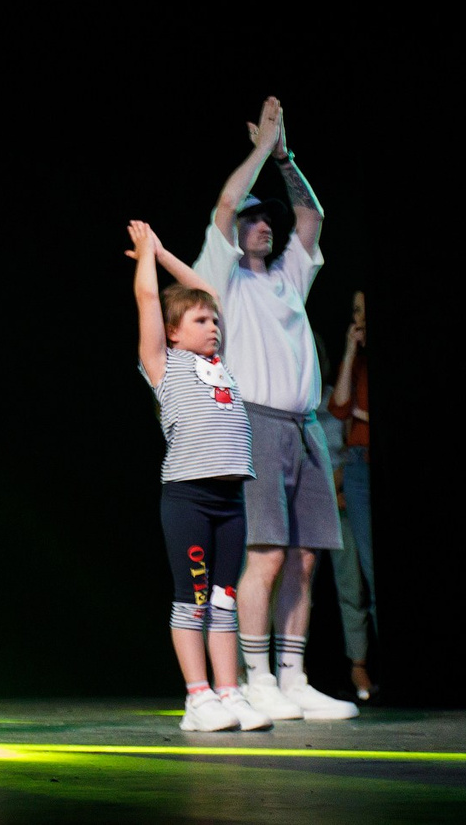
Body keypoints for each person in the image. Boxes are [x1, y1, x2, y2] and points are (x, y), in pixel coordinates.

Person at [146, 97, 357, 720]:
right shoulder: (222, 281)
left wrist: (286, 156)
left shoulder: (289, 276)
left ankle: (292, 675)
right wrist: (261, 147)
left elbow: (311, 215)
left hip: (307, 426)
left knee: (307, 554)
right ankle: (256, 675)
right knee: (263, 550)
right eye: (255, 221)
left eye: (269, 221)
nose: (265, 226)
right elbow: (226, 206)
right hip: (256, 422)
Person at [127, 221, 270, 732]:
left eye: (215, 321)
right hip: (189, 498)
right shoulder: (165, 365)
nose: (213, 326)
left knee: (225, 598)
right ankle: (197, 698)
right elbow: (148, 298)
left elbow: (207, 291)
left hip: (231, 500)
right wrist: (147, 254)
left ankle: (229, 693)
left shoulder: (219, 363)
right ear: (172, 332)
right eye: (201, 321)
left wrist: (165, 253)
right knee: (194, 598)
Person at [327, 293, 374, 700]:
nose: (360, 318)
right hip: (356, 472)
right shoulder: (355, 363)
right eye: (355, 310)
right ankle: (359, 667)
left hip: (353, 475)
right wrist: (348, 348)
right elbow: (341, 407)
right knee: (357, 580)